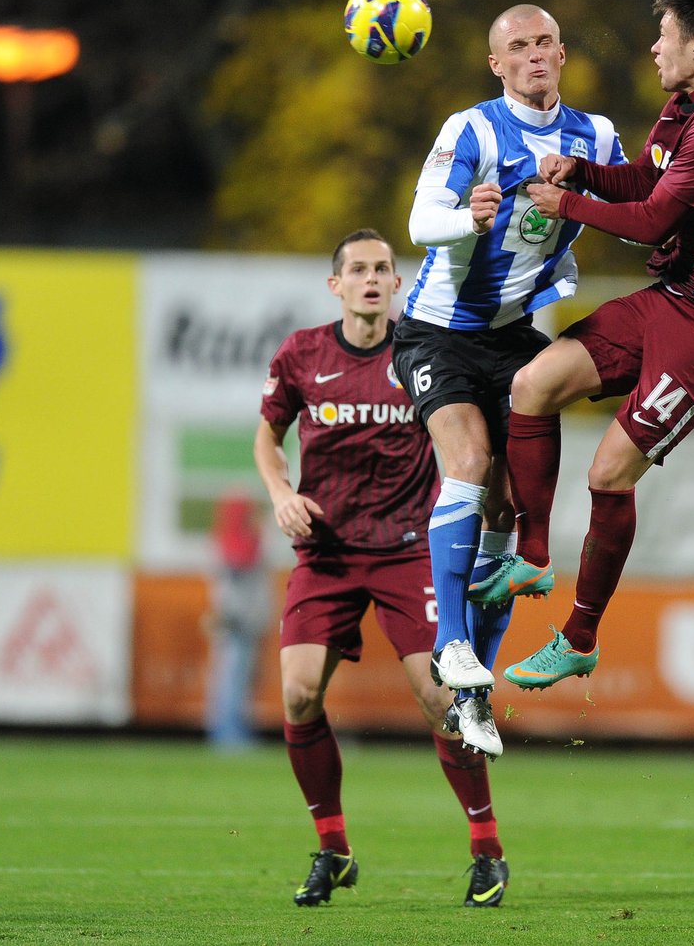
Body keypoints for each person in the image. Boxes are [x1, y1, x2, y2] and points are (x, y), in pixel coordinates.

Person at [501, 0, 694, 689]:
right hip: (670, 298)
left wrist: (565, 201)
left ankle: (580, 637)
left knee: (607, 472)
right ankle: (531, 554)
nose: (653, 45)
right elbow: (645, 186)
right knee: (534, 382)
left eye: (664, 33)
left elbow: (655, 223)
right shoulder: (686, 107)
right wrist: (586, 172)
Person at [390, 4, 626, 756]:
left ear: (562, 52)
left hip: (513, 337)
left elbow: (635, 208)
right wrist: (469, 217)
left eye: (544, 43)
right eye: (517, 47)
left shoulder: (598, 136)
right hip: (437, 329)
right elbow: (421, 221)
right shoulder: (473, 129)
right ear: (496, 64)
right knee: (468, 464)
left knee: (511, 507)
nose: (533, 56)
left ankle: (473, 693)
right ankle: (451, 641)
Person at [255, 228, 509, 909]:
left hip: (407, 549)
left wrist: (490, 511)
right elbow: (267, 435)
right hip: (329, 552)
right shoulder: (302, 354)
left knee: (438, 701)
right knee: (299, 693)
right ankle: (333, 849)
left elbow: (465, 435)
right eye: (358, 269)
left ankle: (486, 847)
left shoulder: (421, 351)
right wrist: (282, 495)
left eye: (384, 268)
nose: (372, 278)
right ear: (334, 284)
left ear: (399, 283)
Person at [204, 490, 271, 748]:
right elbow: (237, 567)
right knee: (230, 677)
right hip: (235, 620)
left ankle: (234, 729)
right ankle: (227, 733)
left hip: (247, 620)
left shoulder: (239, 539)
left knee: (239, 678)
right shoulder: (234, 540)